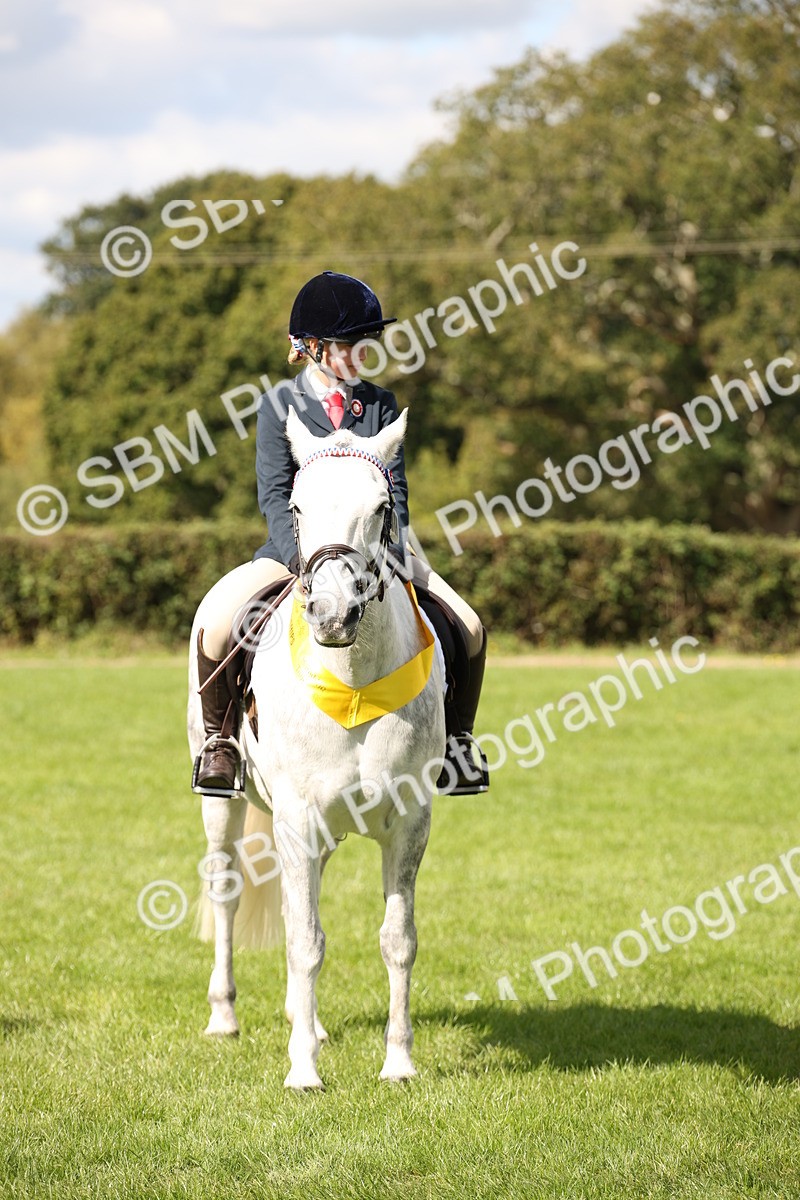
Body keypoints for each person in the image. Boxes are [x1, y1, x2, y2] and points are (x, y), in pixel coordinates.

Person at [193, 270, 488, 796]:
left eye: (364, 344)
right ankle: (221, 743)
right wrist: (302, 561)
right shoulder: (277, 405)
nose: (360, 354)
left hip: (378, 552)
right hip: (294, 555)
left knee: (468, 625)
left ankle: (458, 742)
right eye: (348, 344)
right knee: (217, 625)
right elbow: (273, 493)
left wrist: (386, 556)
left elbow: (394, 492)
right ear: (311, 347)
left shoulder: (380, 404)